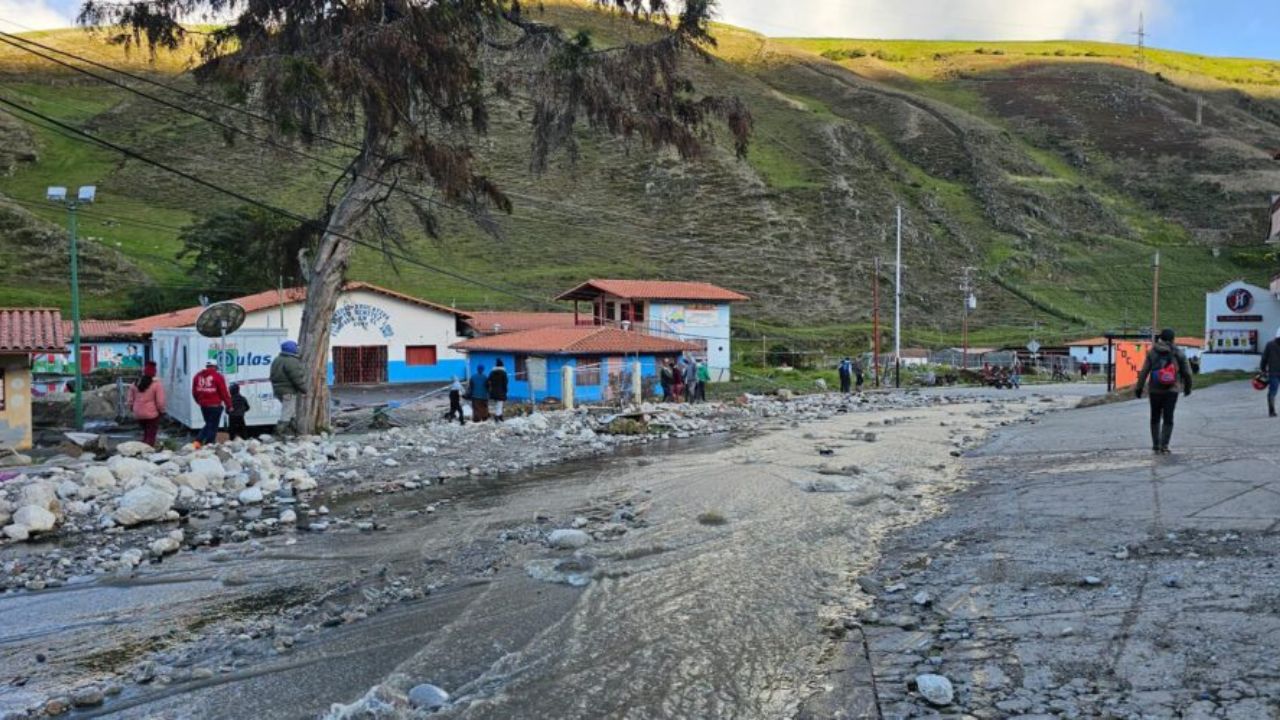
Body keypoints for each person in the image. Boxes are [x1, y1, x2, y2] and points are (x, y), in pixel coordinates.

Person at [1136, 328, 1194, 454]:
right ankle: (1165, 445)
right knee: (1168, 417)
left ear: (1160, 338)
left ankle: (1156, 444)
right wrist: (1188, 388)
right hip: (1171, 390)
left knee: (1155, 417)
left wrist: (1139, 388)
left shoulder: (1153, 352)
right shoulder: (1178, 353)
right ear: (1173, 339)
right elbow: (1188, 373)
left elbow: (1144, 372)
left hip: (1155, 390)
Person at [269, 340, 308, 437]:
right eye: (296, 347)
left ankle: (297, 433)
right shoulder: (291, 361)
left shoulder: (277, 359)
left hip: (278, 390)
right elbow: (296, 378)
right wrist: (304, 389)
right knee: (286, 413)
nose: (297, 349)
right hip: (288, 391)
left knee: (291, 413)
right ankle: (278, 433)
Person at [192, 359, 232, 447]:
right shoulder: (218, 376)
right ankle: (199, 441)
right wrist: (229, 405)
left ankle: (208, 444)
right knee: (211, 425)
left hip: (203, 405)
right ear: (215, 367)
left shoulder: (197, 376)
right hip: (215, 405)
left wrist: (199, 401)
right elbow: (223, 392)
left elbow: (194, 392)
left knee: (209, 424)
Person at [128, 360, 165, 447]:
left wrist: (131, 408)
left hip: (138, 413)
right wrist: (162, 411)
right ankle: (148, 451)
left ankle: (143, 448)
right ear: (154, 372)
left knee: (145, 433)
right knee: (151, 435)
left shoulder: (135, 383)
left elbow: (130, 399)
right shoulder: (156, 384)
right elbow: (160, 401)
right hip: (151, 414)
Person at [1260, 327, 1280, 418]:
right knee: (1273, 391)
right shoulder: (1270, 344)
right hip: (1274, 372)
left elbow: (1264, 358)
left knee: (1272, 391)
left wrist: (1263, 369)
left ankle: (1271, 411)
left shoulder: (1270, 344)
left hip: (1273, 372)